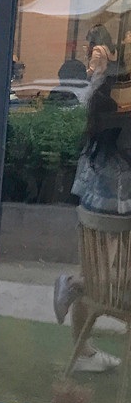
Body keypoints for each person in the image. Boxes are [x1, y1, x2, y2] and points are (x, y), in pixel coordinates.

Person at [53, 32, 128, 371]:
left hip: (93, 205)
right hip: (115, 285)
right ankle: (77, 285)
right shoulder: (118, 168)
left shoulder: (97, 145)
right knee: (99, 273)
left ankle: (82, 348)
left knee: (93, 270)